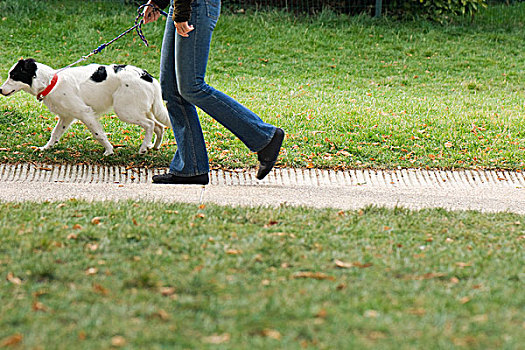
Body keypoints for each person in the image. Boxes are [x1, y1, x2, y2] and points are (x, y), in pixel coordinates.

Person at [143, 0, 284, 185]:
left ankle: (264, 137)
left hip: (194, 5)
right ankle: (191, 168)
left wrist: (182, 13)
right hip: (181, 5)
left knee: (192, 86)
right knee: (172, 89)